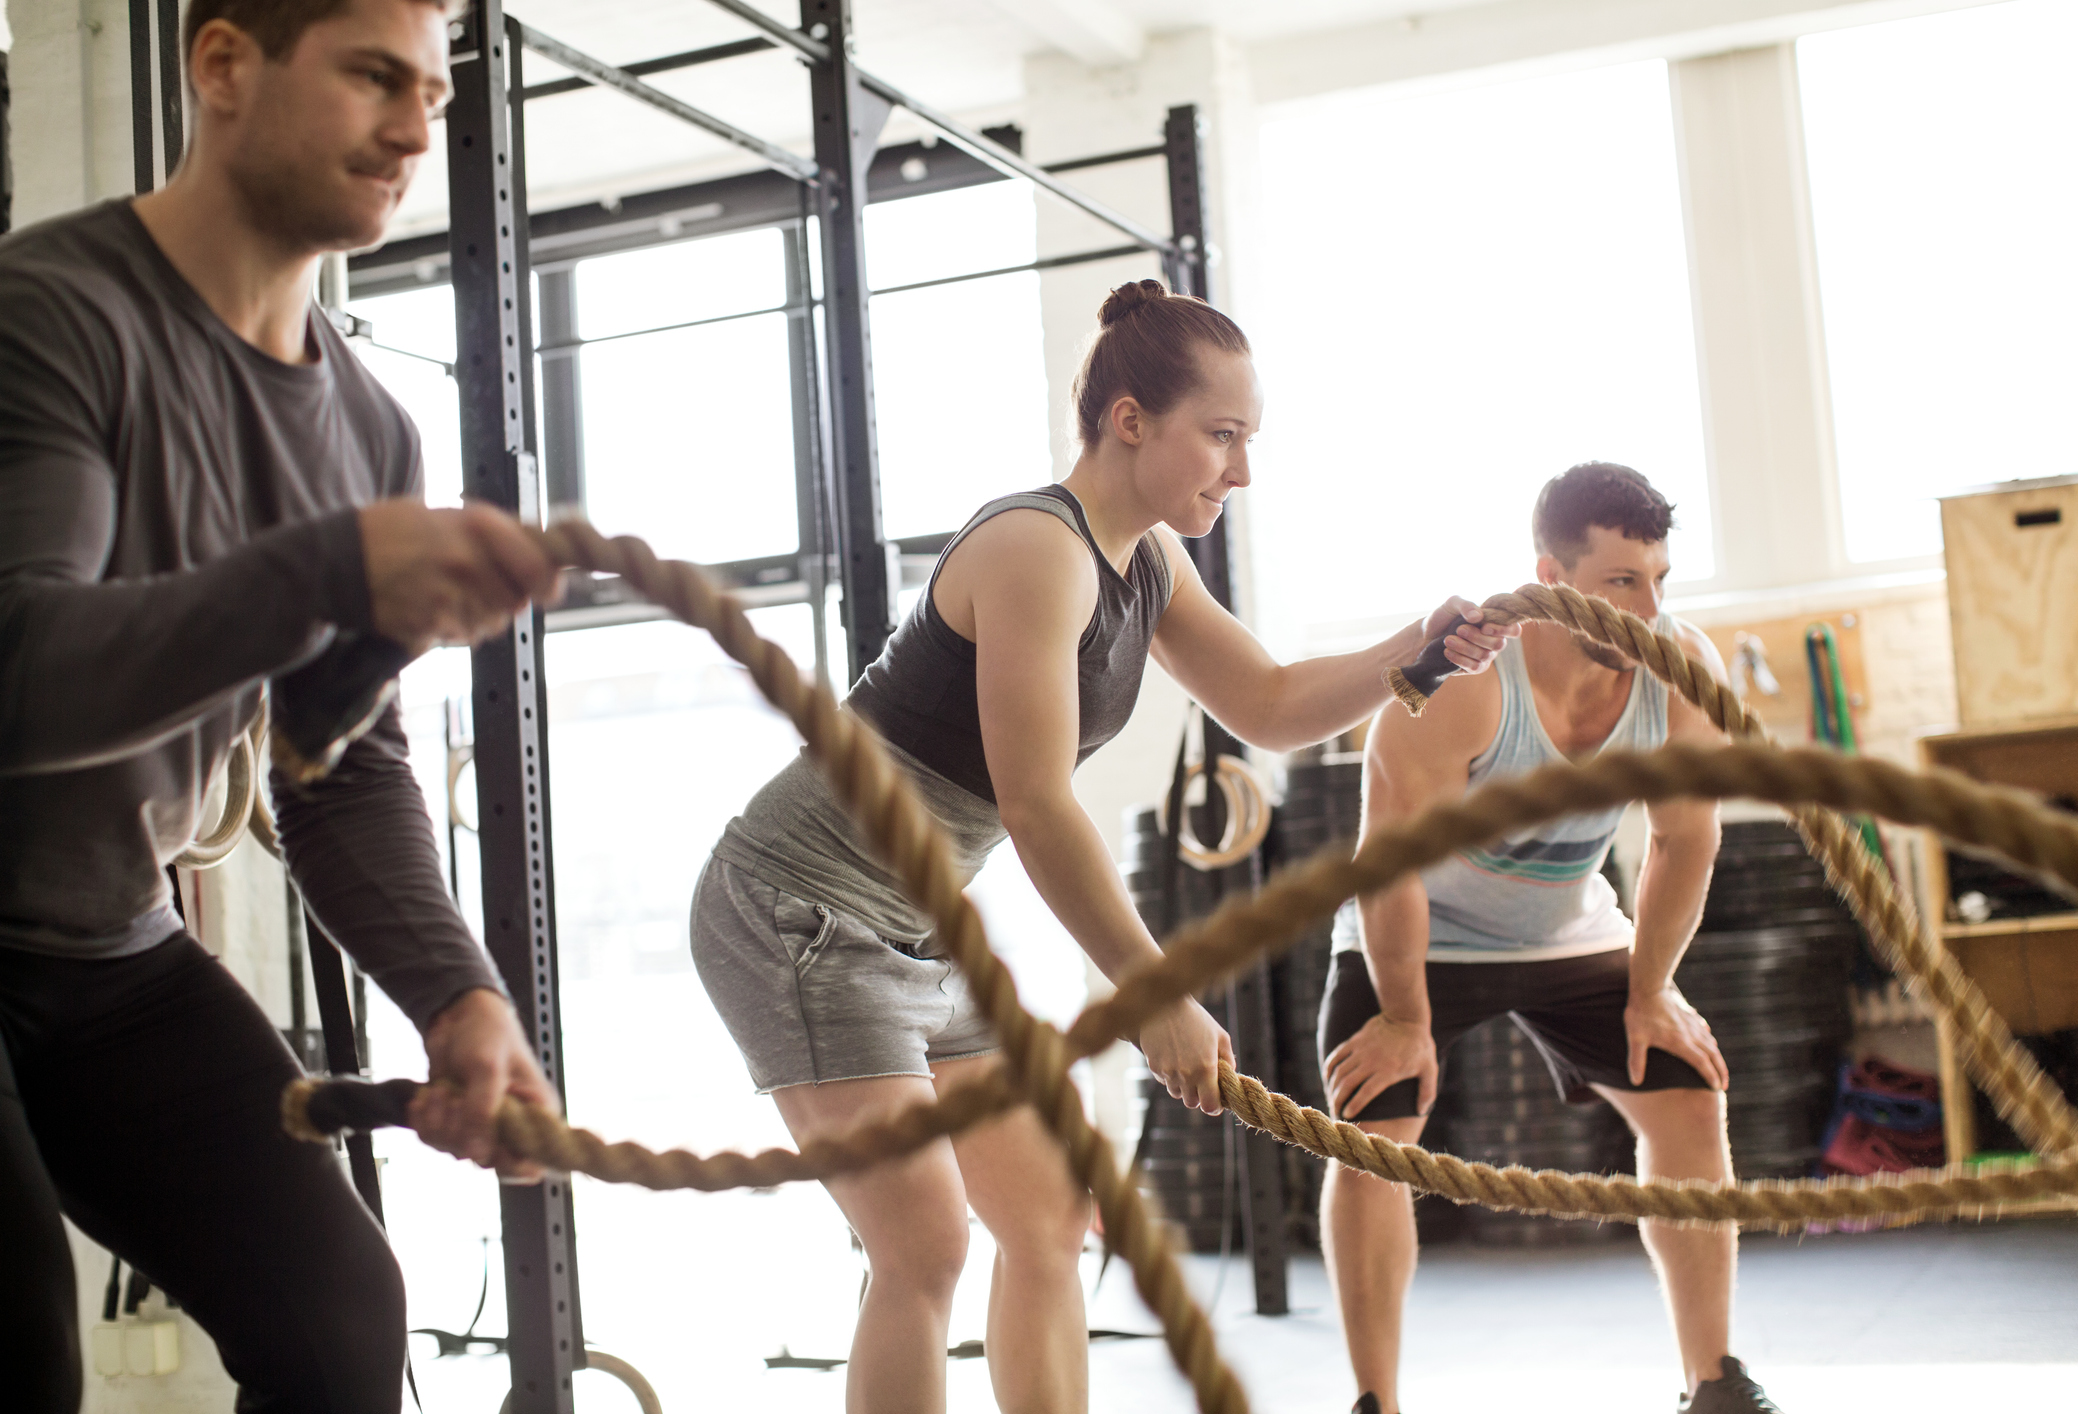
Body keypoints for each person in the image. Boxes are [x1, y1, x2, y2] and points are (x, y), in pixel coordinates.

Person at [691, 278, 1515, 1412]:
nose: (1241, 469)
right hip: (797, 908)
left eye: (1248, 439)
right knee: (924, 1244)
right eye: (1221, 436)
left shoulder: (1147, 561)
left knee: (1050, 1212)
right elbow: (1034, 804)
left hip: (918, 923)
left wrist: (1415, 655)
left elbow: (1268, 702)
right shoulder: (1036, 548)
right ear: (1131, 420)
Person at [0, 2, 565, 1409]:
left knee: (336, 1327)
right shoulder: (48, 316)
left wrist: (460, 993)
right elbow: (15, 672)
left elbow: (334, 764)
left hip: (108, 955)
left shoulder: (370, 430)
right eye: (375, 77)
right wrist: (322, 565)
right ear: (225, 66)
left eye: (434, 94)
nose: (415, 130)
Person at [1317, 463, 1784, 1414]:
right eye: (1620, 582)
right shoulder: (1460, 686)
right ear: (1550, 574)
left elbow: (1686, 838)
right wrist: (1403, 1018)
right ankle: (1375, 1403)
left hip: (1565, 929)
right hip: (1418, 935)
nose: (1647, 609)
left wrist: (1652, 990)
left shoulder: (1677, 669)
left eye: (1659, 579)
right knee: (1372, 1134)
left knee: (1689, 1099)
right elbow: (1389, 867)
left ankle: (1714, 1383)